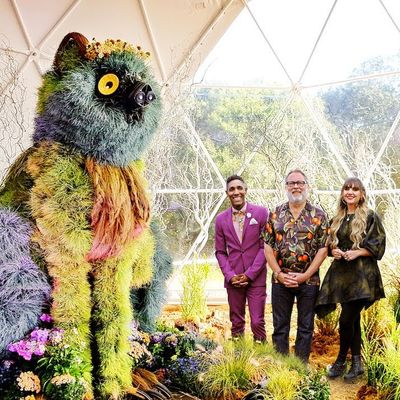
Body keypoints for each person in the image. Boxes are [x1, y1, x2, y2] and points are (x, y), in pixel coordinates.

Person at [315, 177, 386, 380]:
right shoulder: (338, 218)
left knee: (346, 320)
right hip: (342, 278)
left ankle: (340, 362)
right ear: (342, 193)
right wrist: (334, 250)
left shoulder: (370, 216)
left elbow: (378, 245)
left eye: (355, 189)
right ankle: (356, 364)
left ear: (361, 194)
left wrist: (358, 252)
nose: (350, 192)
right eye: (347, 188)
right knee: (352, 322)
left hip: (362, 278)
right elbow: (328, 244)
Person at [262, 169, 329, 362]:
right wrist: (279, 273)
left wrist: (306, 275)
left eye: (300, 182)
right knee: (280, 326)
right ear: (286, 187)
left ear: (307, 186)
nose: (296, 186)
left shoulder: (319, 215)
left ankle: (301, 366)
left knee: (306, 326)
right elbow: (267, 246)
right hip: (280, 280)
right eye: (292, 183)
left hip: (309, 282)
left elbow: (323, 249)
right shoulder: (275, 214)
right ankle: (282, 368)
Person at [215, 175, 269, 342]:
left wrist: (250, 274)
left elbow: (264, 247)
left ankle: (261, 355)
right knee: (236, 322)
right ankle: (239, 357)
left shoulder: (261, 213)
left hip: (256, 276)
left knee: (257, 321)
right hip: (234, 278)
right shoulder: (220, 219)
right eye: (232, 189)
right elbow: (220, 252)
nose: (236, 192)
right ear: (227, 193)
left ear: (246, 190)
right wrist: (230, 276)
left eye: (239, 188)